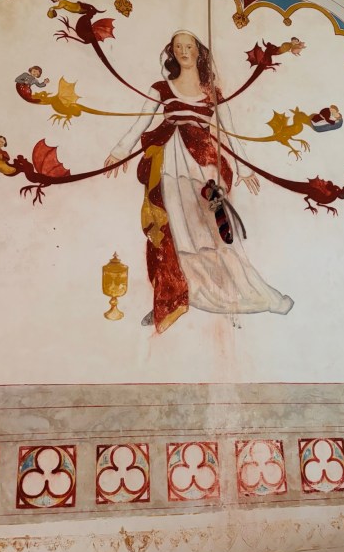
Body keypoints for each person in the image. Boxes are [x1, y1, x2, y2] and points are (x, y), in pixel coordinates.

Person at [104, 30, 294, 333]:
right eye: (178, 47)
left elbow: (230, 131)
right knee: (172, 229)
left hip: (203, 167)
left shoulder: (212, 93)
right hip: (169, 162)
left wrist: (243, 168)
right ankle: (173, 296)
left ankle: (227, 293)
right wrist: (119, 150)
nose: (183, 51)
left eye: (188, 46)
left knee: (211, 230)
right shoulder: (161, 88)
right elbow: (141, 121)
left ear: (198, 52)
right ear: (172, 52)